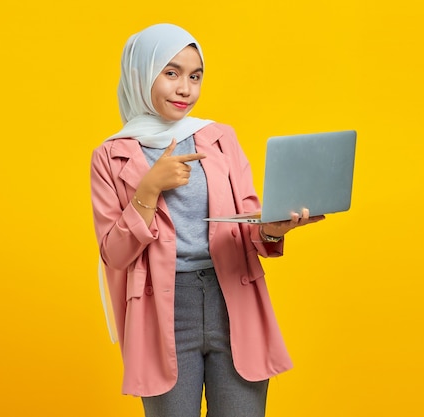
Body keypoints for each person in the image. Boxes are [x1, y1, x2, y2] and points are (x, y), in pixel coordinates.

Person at [90, 23, 324, 417]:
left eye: (195, 76)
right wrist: (148, 190)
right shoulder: (110, 155)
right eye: (171, 73)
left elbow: (248, 220)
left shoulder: (220, 137)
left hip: (232, 297)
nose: (186, 88)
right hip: (162, 308)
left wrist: (270, 229)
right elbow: (114, 255)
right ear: (141, 73)